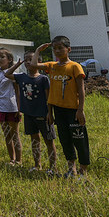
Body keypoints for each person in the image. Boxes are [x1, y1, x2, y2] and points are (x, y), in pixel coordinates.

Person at [37, 37, 89, 178]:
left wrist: (80, 110)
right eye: (55, 48)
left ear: (68, 49)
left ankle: (83, 170)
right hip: (58, 110)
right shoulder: (52, 66)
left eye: (61, 48)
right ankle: (71, 169)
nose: (57, 51)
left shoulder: (75, 66)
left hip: (73, 110)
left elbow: (81, 89)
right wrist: (38, 50)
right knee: (65, 140)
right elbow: (33, 65)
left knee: (79, 139)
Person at [6, 50, 58, 173]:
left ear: (38, 62)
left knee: (49, 141)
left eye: (31, 59)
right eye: (26, 60)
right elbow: (7, 74)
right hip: (29, 114)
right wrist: (17, 64)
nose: (28, 62)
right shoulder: (21, 77)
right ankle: (37, 165)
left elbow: (48, 98)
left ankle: (53, 168)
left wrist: (50, 113)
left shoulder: (43, 79)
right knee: (34, 140)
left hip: (43, 115)